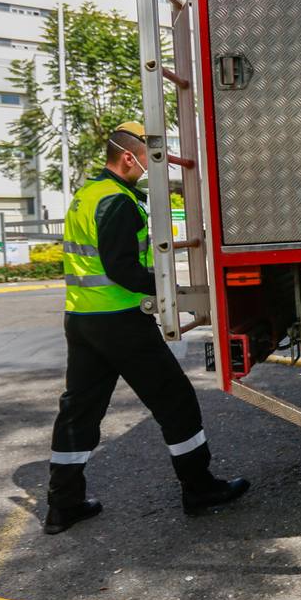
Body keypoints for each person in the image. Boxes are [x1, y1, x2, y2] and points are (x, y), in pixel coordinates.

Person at [45, 121, 249, 535]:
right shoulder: (117, 201)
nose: (147, 166)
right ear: (127, 157)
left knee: (79, 412)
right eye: (145, 157)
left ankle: (63, 504)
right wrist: (166, 286)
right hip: (120, 322)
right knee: (175, 401)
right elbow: (121, 269)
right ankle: (199, 488)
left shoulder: (86, 195)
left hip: (82, 321)